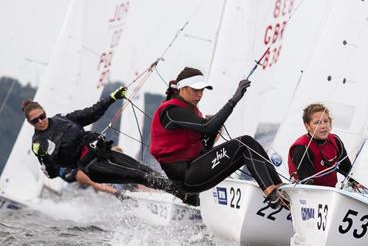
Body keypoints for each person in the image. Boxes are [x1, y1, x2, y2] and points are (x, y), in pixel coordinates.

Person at [149, 67, 288, 208]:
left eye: (202, 91)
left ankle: (282, 191)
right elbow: (208, 127)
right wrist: (233, 100)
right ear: (182, 88)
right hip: (186, 177)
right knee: (244, 143)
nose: (199, 95)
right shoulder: (170, 111)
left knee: (251, 143)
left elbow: (205, 147)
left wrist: (211, 135)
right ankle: (272, 195)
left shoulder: (195, 113)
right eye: (195, 90)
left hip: (194, 173)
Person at [21, 88, 183, 201]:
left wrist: (111, 98)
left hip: (101, 151)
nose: (40, 121)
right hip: (92, 167)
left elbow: (91, 113)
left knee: (144, 169)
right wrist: (44, 156)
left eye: (41, 116)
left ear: (44, 112)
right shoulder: (38, 143)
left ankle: (183, 187)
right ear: (30, 123)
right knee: (139, 176)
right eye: (35, 120)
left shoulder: (62, 119)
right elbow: (52, 173)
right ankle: (184, 195)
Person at [287, 103, 353, 187]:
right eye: (317, 123)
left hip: (331, 192)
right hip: (308, 194)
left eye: (326, 121)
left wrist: (355, 182)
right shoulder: (302, 147)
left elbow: (347, 168)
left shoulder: (335, 140)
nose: (323, 126)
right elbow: (305, 184)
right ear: (307, 126)